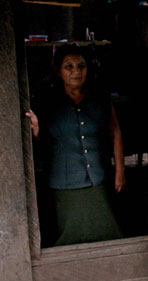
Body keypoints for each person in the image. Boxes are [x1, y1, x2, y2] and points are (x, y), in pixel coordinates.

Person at [26, 45, 125, 246]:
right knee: (69, 239)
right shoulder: (47, 102)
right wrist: (35, 132)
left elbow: (115, 132)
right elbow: (39, 142)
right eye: (68, 67)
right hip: (64, 183)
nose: (76, 72)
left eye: (81, 66)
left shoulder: (100, 98)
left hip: (98, 178)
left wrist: (120, 170)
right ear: (59, 71)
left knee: (108, 234)